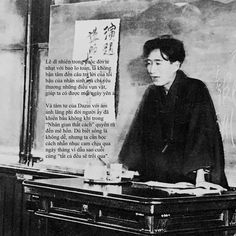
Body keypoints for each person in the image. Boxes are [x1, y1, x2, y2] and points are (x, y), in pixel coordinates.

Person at [119, 35, 228, 191]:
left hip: (190, 177)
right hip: (159, 177)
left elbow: (201, 135)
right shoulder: (152, 93)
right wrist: (128, 167)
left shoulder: (195, 89)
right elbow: (138, 134)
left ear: (175, 65)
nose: (151, 69)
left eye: (158, 63)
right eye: (148, 63)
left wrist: (200, 178)